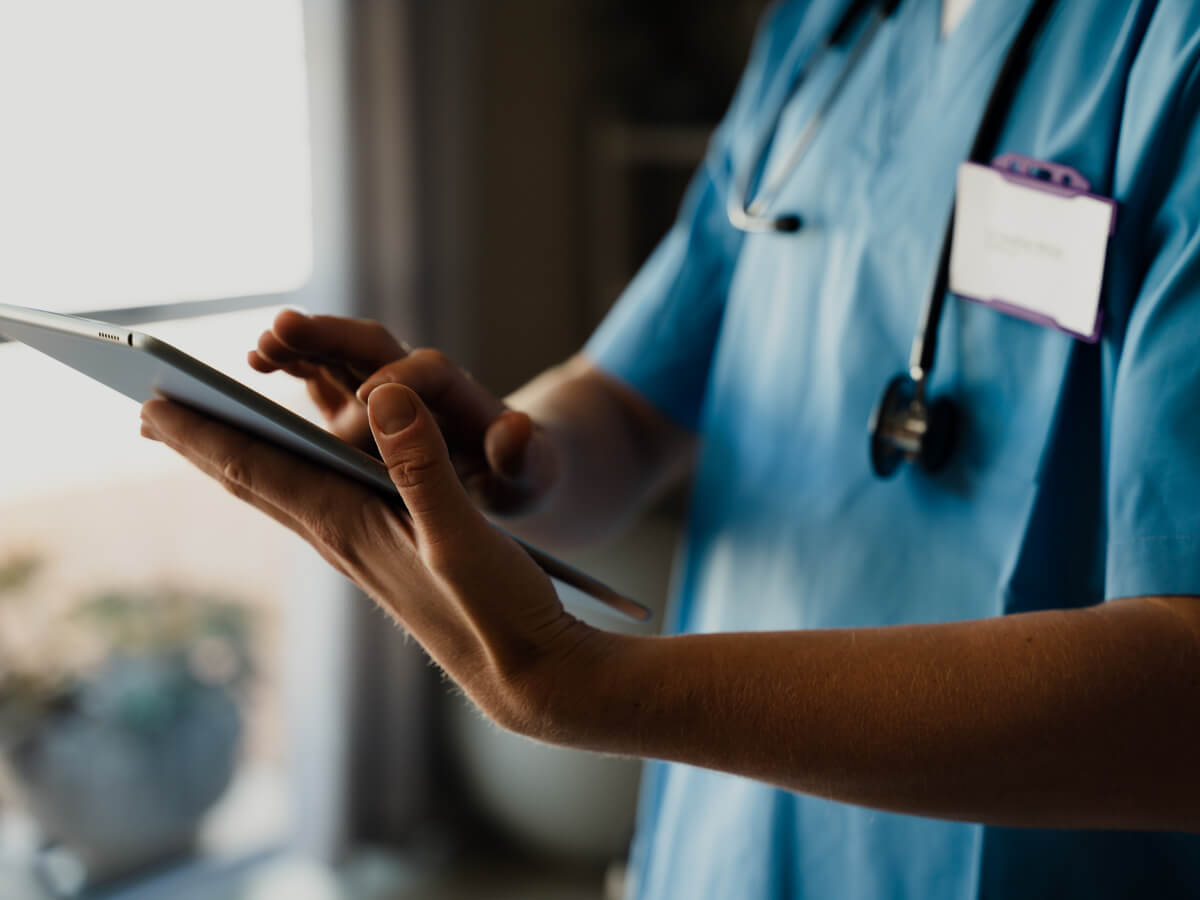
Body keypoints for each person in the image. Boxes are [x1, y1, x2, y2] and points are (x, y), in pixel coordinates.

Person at [140, 1, 1200, 897]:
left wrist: (596, 688)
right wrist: (507, 460)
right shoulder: (830, 33)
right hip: (727, 834)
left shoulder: (1168, 49)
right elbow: (637, 404)